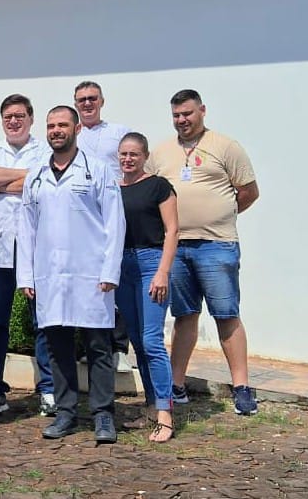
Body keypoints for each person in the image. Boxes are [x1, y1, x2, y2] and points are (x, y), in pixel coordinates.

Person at [17, 106, 125, 444]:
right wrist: (26, 276)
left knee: (98, 347)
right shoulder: (36, 174)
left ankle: (103, 414)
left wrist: (110, 270)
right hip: (50, 274)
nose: (56, 130)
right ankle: (65, 412)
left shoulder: (98, 170)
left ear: (77, 129)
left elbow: (115, 222)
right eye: (51, 126)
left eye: (62, 124)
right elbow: (26, 228)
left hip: (92, 274)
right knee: (57, 346)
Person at [148, 89, 260, 416]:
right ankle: (177, 385)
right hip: (177, 247)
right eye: (176, 115)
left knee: (226, 314)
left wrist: (221, 214)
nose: (182, 120)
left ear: (202, 111)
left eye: (188, 113)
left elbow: (249, 191)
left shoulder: (225, 146)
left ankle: (241, 387)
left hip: (216, 245)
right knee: (184, 316)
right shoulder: (161, 152)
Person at [0, 94, 57, 418]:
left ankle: (48, 388)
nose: (14, 121)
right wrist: (24, 176)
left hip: (36, 247)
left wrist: (2, 182)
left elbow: (45, 179)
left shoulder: (45, 151)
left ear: (31, 118)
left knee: (43, 320)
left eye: (20, 116)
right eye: (8, 116)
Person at [115, 132, 178, 442]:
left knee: (152, 341)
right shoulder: (113, 189)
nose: (128, 159)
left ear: (145, 156)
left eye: (134, 154)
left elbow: (172, 230)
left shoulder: (159, 186)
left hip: (152, 262)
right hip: (122, 266)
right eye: (124, 154)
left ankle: (166, 414)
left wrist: (163, 272)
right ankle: (151, 406)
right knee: (138, 342)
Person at [74, 81, 133, 373]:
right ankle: (89, 347)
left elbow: (131, 164)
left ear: (101, 101)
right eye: (82, 99)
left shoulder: (118, 132)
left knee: (114, 275)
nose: (87, 103)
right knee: (86, 282)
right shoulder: (72, 134)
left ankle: (119, 348)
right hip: (82, 217)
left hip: (112, 211)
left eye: (92, 98)